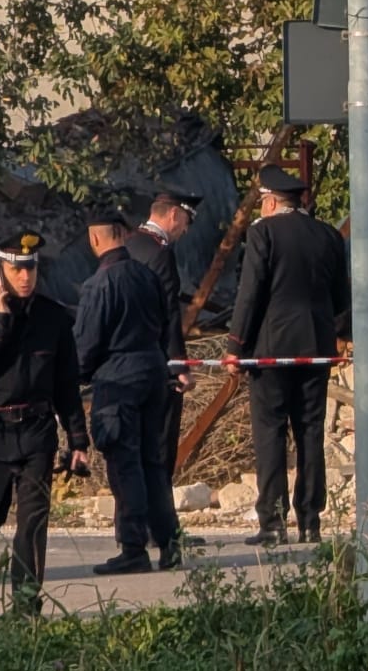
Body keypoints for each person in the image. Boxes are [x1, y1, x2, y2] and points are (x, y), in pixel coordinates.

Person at [0, 232, 89, 617]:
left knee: (32, 526)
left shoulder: (53, 316)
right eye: (17, 269)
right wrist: (0, 320)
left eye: (31, 268)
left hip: (36, 433)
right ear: (0, 271)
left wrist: (78, 439)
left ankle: (26, 606)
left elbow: (66, 382)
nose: (26, 276)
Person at [227, 166, 349, 547]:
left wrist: (235, 345)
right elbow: (341, 295)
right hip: (316, 347)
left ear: (270, 201)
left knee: (271, 433)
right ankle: (310, 519)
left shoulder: (263, 232)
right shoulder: (328, 235)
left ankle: (273, 521)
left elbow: (251, 292)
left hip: (271, 349)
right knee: (311, 431)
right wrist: (340, 335)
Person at [74, 201, 180, 575]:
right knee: (153, 461)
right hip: (154, 371)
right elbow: (167, 321)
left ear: (95, 239)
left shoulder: (99, 284)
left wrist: (78, 376)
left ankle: (133, 545)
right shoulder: (146, 274)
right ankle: (169, 541)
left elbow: (86, 344)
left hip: (118, 380)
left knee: (125, 464)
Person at [126, 189, 200, 478]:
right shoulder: (160, 254)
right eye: (186, 222)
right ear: (173, 214)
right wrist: (178, 364)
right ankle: (159, 518)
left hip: (124, 364)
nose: (185, 230)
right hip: (157, 365)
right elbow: (169, 313)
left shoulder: (127, 246)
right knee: (159, 448)